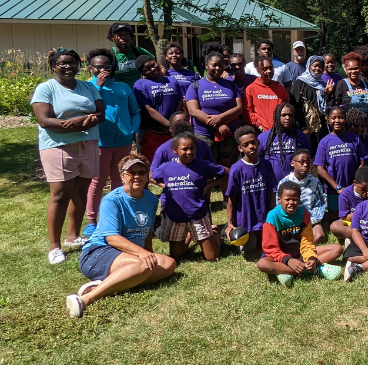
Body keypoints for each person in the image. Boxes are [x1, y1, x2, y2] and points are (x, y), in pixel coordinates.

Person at [65, 154, 176, 318]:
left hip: (129, 254)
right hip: (98, 253)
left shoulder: (152, 200)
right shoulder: (112, 200)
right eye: (131, 172)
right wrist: (142, 254)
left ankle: (105, 284)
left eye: (141, 172)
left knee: (168, 264)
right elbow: (111, 238)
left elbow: (147, 233)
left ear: (147, 177)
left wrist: (149, 252)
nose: (137, 176)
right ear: (122, 176)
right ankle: (88, 298)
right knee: (144, 265)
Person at [31, 48, 104, 265]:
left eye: (72, 62)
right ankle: (54, 247)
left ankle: (73, 237)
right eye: (62, 63)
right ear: (53, 66)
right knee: (60, 194)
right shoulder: (46, 88)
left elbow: (101, 113)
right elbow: (44, 119)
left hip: (88, 143)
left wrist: (86, 121)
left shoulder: (88, 87)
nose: (67, 66)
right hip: (58, 146)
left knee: (81, 191)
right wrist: (69, 125)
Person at [84, 49, 140, 236]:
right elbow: (87, 107)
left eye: (107, 66)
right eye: (98, 67)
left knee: (120, 179)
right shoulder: (87, 88)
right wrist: (98, 86)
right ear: (91, 68)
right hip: (100, 141)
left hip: (123, 140)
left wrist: (132, 129)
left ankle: (117, 214)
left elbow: (135, 111)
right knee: (97, 181)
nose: (103, 70)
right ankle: (92, 219)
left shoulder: (123, 88)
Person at [150, 133, 226, 262]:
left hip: (198, 214)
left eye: (192, 148)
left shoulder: (203, 165)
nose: (189, 152)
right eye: (184, 149)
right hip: (176, 216)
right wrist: (163, 185)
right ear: (175, 150)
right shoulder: (166, 168)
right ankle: (189, 234)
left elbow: (228, 172)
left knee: (212, 257)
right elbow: (151, 176)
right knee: (176, 257)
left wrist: (209, 186)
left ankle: (213, 233)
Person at [258, 181, 343, 287]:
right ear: (279, 199)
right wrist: (288, 260)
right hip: (280, 257)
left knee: (337, 248)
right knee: (262, 264)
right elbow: (270, 248)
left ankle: (288, 272)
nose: (291, 202)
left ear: (299, 199)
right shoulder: (272, 216)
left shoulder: (304, 214)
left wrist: (311, 258)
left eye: (294, 199)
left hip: (299, 253)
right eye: (287, 199)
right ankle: (311, 270)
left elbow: (307, 241)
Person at [185, 51, 244, 166]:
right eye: (214, 65)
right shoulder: (195, 86)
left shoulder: (231, 85)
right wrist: (218, 124)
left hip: (228, 135)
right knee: (206, 166)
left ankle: (223, 185)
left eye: (221, 65)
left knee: (226, 165)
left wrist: (220, 118)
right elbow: (193, 111)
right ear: (206, 65)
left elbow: (239, 107)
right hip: (205, 135)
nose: (218, 68)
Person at [314, 106, 368, 225]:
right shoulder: (325, 141)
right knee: (336, 220)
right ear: (328, 120)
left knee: (355, 216)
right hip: (334, 189)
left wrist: (356, 183)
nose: (337, 120)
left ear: (345, 119)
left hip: (353, 187)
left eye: (340, 117)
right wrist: (337, 187)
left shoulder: (354, 138)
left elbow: (363, 160)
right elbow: (320, 167)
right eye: (333, 118)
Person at [225, 126, 273, 253]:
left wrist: (273, 215)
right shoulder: (236, 169)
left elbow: (271, 192)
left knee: (267, 247)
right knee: (249, 249)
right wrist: (230, 223)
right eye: (246, 144)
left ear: (258, 142)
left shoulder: (266, 165)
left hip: (264, 218)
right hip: (245, 220)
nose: (251, 146)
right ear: (240, 148)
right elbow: (231, 199)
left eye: (253, 142)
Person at [133, 54, 183, 162]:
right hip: (152, 132)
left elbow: (179, 101)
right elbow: (148, 109)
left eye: (152, 65)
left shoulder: (172, 81)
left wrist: (173, 123)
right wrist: (168, 124)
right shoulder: (140, 84)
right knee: (151, 164)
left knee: (173, 162)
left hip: (173, 132)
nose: (152, 69)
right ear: (142, 73)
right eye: (147, 69)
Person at [258, 103, 312, 194]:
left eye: (290, 115)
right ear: (277, 117)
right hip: (271, 188)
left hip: (296, 188)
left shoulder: (301, 137)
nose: (287, 118)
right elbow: (257, 160)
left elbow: (308, 158)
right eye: (284, 115)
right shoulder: (264, 137)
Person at [277, 149, 328, 243]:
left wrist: (308, 222)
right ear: (292, 163)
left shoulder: (315, 182)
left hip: (309, 221)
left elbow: (319, 205)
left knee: (319, 235)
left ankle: (301, 245)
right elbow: (280, 206)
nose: (305, 165)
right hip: (290, 221)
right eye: (301, 162)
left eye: (308, 163)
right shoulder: (284, 183)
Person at [290, 55, 335, 148]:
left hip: (320, 128)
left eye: (320, 66)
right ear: (309, 66)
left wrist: (327, 93)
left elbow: (325, 108)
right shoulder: (300, 82)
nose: (317, 69)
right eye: (315, 66)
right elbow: (295, 106)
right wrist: (302, 127)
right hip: (305, 127)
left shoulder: (322, 84)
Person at [330, 166, 368, 245]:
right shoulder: (345, 194)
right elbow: (345, 217)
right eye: (362, 189)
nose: (365, 193)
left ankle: (354, 238)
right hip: (351, 223)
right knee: (335, 227)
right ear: (355, 182)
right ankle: (363, 238)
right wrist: (362, 211)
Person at [245, 56, 289, 132]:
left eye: (270, 68)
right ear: (258, 71)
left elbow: (287, 109)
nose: (268, 71)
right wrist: (259, 125)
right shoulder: (251, 89)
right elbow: (248, 111)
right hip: (260, 131)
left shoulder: (280, 89)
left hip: (279, 131)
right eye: (264, 69)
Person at [107, 23, 154, 87]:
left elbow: (156, 65)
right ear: (113, 37)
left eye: (126, 34)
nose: (123, 37)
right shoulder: (109, 55)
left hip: (137, 92)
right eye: (119, 35)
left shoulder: (140, 52)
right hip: (119, 94)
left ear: (131, 36)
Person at [334, 52, 368, 119]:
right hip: (347, 125)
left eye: (356, 68)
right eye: (350, 69)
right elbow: (336, 105)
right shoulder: (341, 84)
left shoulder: (367, 86)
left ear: (360, 68)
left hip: (365, 126)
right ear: (346, 70)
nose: (353, 71)